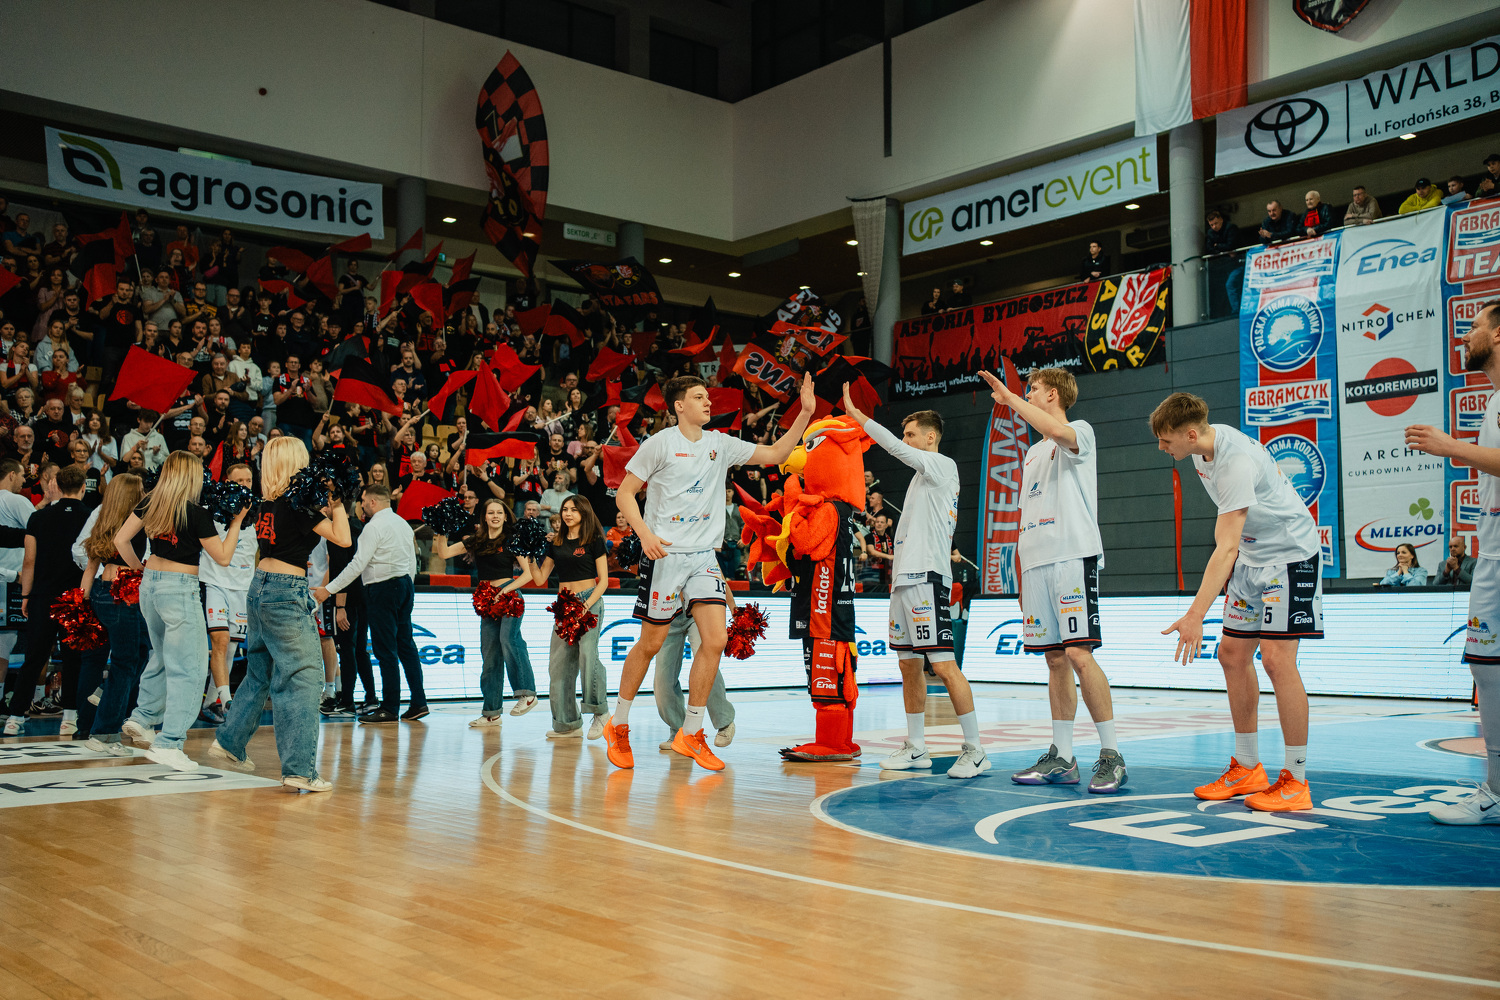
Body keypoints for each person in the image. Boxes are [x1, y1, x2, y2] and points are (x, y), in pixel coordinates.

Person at [603, 373, 817, 771]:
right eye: (699, 397)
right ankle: (617, 724)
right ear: (678, 406)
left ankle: (691, 731)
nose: (708, 402)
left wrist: (804, 413)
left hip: (703, 557)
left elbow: (776, 453)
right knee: (650, 645)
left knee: (716, 639)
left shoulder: (721, 443)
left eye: (707, 396)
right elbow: (625, 494)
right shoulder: (659, 443)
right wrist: (645, 534)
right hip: (665, 555)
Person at [1153, 392, 1321, 812]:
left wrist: (1195, 614)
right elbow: (1230, 542)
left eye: (1166, 440)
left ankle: (1297, 780)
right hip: (1252, 556)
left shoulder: (1235, 461)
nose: (1161, 447)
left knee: (1277, 660)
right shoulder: (1201, 452)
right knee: (1231, 655)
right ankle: (1247, 767)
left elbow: (1224, 548)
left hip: (1289, 556)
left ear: (1191, 435)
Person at [979, 367, 1126, 793]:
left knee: (1079, 654)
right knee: (1055, 659)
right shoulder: (1031, 453)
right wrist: (1021, 575)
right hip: (1036, 565)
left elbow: (1054, 429)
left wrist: (1009, 399)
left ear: (1053, 394)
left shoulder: (1080, 431)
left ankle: (1112, 754)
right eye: (1025, 391)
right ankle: (1062, 756)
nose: (1026, 394)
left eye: (1033, 390)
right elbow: (1024, 516)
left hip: (1071, 557)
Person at [842, 388, 988, 779]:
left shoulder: (942, 465)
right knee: (908, 666)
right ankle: (917, 747)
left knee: (944, 666)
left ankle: (976, 749)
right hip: (903, 581)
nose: (904, 440)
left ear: (930, 437)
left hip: (928, 578)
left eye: (910, 434)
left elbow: (893, 448)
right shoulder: (920, 479)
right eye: (904, 434)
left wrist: (858, 416)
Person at [1405, 299, 1500, 824]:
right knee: (1486, 670)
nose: (1465, 336)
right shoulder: (1492, 401)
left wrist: (1451, 447)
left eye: (1474, 327)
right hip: (1492, 558)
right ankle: (1496, 790)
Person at [213, 438, 349, 789]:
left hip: (258, 587)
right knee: (304, 678)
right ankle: (299, 769)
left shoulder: (265, 504)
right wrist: (337, 499)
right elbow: (343, 538)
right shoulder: (299, 505)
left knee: (259, 672)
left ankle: (229, 742)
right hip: (286, 591)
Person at [113, 452, 249, 770]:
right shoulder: (196, 513)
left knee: (161, 655)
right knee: (190, 668)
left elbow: (120, 540)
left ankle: (142, 717)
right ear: (192, 476)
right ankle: (170, 742)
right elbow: (223, 557)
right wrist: (237, 522)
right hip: (179, 590)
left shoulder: (151, 503)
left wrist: (139, 569)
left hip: (151, 585)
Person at [314, 483, 423, 724]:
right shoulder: (403, 524)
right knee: (406, 646)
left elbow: (356, 565)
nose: (362, 505)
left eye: (364, 501)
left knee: (386, 650)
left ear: (373, 502)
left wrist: (328, 589)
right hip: (405, 585)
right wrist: (408, 588)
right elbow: (412, 562)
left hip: (382, 589)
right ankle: (418, 702)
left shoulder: (373, 527)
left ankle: (390, 707)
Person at [1, 465, 92, 737]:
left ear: (57, 487)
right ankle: (69, 718)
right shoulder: (91, 516)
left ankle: (14, 718)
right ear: (83, 488)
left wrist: (26, 596)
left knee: (34, 658)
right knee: (73, 658)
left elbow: (29, 561)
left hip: (42, 596)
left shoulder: (38, 518)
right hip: (76, 597)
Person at [432, 498, 538, 726]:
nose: (495, 516)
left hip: (509, 595)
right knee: (489, 655)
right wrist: (441, 529)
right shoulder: (476, 540)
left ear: (505, 516)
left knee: (509, 639)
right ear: (485, 517)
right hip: (487, 599)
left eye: (499, 512)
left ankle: (527, 693)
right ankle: (492, 713)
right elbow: (443, 553)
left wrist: (505, 590)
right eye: (491, 513)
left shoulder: (512, 539)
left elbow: (528, 574)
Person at [75, 474, 149, 751]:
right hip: (122, 593)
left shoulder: (104, 521)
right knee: (125, 663)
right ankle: (104, 734)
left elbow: (90, 567)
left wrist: (83, 603)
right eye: (140, 489)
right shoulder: (133, 524)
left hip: (101, 592)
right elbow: (123, 549)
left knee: (140, 651)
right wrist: (140, 568)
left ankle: (103, 693)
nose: (144, 493)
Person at [531, 495, 610, 740]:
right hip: (564, 605)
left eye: (573, 510)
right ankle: (567, 724)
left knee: (587, 655)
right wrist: (530, 554)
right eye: (565, 509)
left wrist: (586, 604)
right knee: (558, 665)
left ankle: (600, 711)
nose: (568, 513)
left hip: (589, 601)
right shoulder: (555, 542)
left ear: (584, 513)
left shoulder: (594, 540)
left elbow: (604, 581)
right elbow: (540, 578)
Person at [200, 463, 257, 724]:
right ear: (227, 482)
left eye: (249, 480)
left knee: (231, 648)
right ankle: (226, 700)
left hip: (242, 587)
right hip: (215, 583)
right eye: (239, 481)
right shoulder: (212, 510)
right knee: (220, 642)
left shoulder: (257, 512)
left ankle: (211, 702)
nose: (245, 485)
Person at [653, 588, 737, 749]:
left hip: (699, 607)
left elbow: (718, 576)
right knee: (662, 680)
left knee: (706, 666)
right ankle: (679, 732)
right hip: (667, 611)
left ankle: (725, 722)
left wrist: (733, 607)